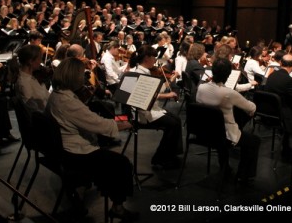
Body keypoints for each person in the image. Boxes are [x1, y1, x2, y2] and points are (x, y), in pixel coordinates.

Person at [45, 57, 138, 221]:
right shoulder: (67, 102)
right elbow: (98, 124)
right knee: (121, 163)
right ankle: (118, 207)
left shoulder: (57, 95)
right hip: (74, 154)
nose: (84, 77)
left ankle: (101, 191)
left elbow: (85, 119)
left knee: (107, 151)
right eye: (82, 74)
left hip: (62, 148)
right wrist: (125, 124)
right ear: (73, 76)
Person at [196, 57, 260, 183]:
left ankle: (225, 167)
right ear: (228, 74)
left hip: (204, 131)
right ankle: (243, 175)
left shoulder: (201, 88)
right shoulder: (229, 93)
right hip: (222, 135)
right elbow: (251, 107)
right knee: (254, 141)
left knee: (225, 122)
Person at [128, 45, 183, 169]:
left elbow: (156, 90)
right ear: (147, 58)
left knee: (176, 120)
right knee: (173, 124)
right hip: (143, 114)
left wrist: (171, 80)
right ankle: (160, 158)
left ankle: (170, 155)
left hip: (151, 109)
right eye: (154, 57)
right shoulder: (140, 74)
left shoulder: (145, 71)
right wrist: (168, 95)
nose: (155, 60)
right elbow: (150, 96)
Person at [14, 44, 50, 113]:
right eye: (39, 59)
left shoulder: (30, 77)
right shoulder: (24, 83)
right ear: (30, 61)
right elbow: (33, 111)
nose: (41, 62)